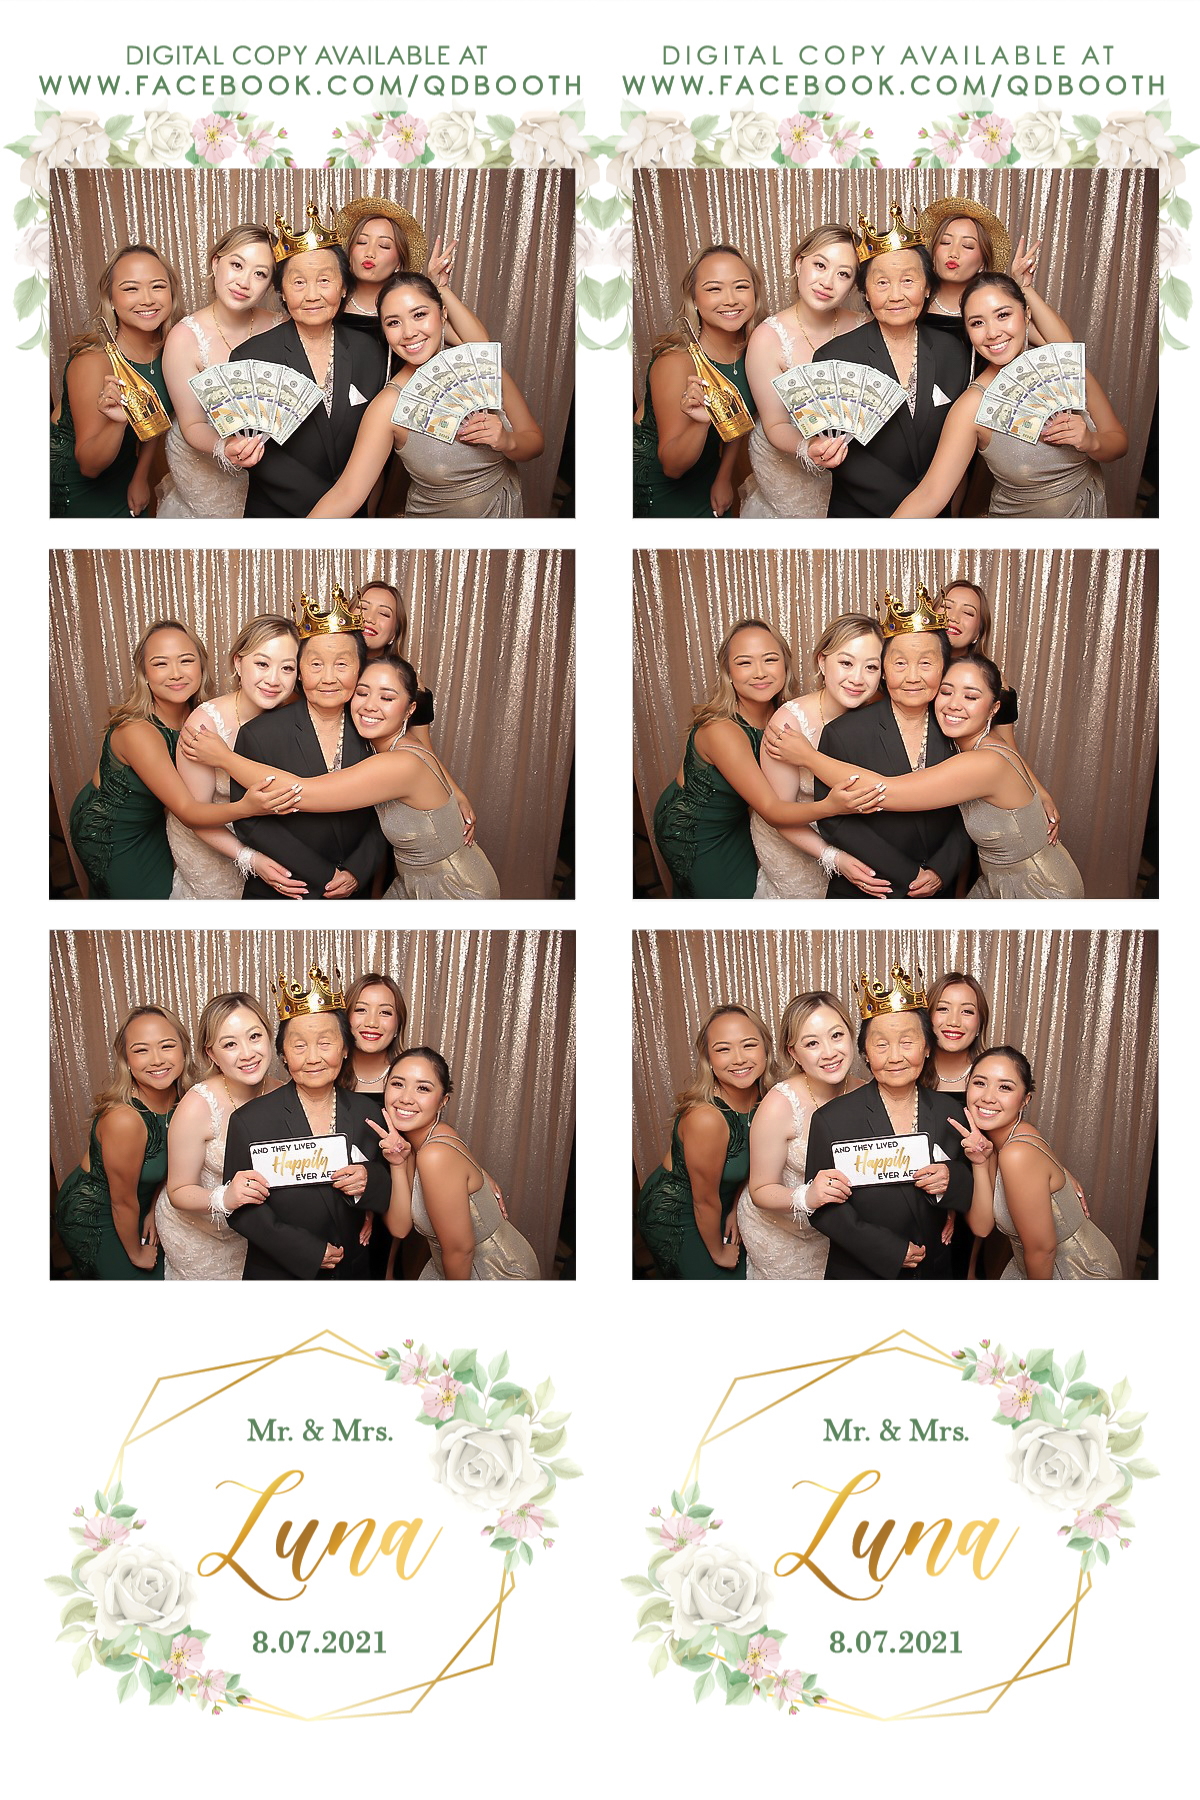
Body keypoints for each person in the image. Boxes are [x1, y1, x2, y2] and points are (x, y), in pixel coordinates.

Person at [186, 653, 493, 899]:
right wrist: (458, 793)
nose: (370, 706)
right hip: (413, 882)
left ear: (410, 708)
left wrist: (225, 758)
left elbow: (303, 792)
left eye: (387, 698)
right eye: (362, 692)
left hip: (453, 889)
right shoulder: (399, 746)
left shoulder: (400, 763)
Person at [792, 652, 1085, 899]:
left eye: (971, 696)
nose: (954, 704)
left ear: (994, 708)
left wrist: (809, 757)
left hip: (1037, 887)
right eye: (946, 692)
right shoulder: (984, 744)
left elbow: (887, 791)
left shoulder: (983, 763)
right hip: (998, 880)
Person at [653, 618, 882, 899]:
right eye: (744, 663)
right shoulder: (721, 731)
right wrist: (830, 806)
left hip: (739, 820)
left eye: (770, 659)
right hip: (695, 829)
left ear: (785, 665)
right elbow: (772, 809)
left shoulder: (784, 711)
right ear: (728, 672)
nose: (760, 673)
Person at [69, 620, 287, 900]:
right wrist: (246, 807)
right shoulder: (137, 732)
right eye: (160, 664)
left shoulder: (200, 714)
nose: (175, 673)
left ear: (201, 666)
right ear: (145, 674)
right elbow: (187, 810)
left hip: (154, 820)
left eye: (186, 660)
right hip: (111, 830)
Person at [308, 272, 543, 518]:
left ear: (442, 314)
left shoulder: (481, 369)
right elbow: (347, 493)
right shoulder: (389, 405)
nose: (409, 332)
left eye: (419, 315)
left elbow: (535, 442)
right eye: (393, 323)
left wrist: (506, 441)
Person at [893, 273, 1128, 518]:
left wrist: (1090, 441)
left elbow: (1119, 443)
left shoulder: (1065, 369)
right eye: (977, 323)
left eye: (1003, 315)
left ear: (1026, 315)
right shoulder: (973, 406)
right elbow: (930, 494)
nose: (992, 333)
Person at [212, 588, 389, 900]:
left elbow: (387, 810)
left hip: (354, 892)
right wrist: (325, 874)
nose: (328, 677)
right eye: (316, 664)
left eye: (342, 664)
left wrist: (357, 871)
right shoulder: (259, 734)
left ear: (360, 668)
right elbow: (250, 822)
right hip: (287, 889)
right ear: (299, 670)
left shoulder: (374, 730)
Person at [804, 967, 976, 1280]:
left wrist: (952, 1181)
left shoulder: (949, 1111)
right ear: (865, 1053)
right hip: (862, 1271)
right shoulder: (831, 1120)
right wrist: (888, 1250)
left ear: (927, 1047)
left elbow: (971, 1176)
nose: (895, 1056)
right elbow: (824, 1206)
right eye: (881, 1045)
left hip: (935, 1267)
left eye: (907, 1042)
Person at [220, 967, 391, 1280]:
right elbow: (241, 1207)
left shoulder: (369, 1113)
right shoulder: (249, 1121)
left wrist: (370, 1181)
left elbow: (389, 1178)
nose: (312, 1058)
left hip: (353, 1269)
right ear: (283, 1054)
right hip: (280, 1272)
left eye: (325, 1043)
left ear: (345, 1048)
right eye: (299, 1046)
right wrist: (306, 1251)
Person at [807, 208, 970, 516]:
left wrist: (933, 504)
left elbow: (957, 442)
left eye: (908, 280)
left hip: (937, 513)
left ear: (927, 287)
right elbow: (841, 453)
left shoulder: (952, 351)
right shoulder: (833, 358)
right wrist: (919, 507)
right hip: (861, 516)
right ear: (866, 292)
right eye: (882, 283)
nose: (895, 295)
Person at [808, 589, 970, 899]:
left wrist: (941, 869)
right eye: (900, 663)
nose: (913, 676)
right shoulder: (843, 733)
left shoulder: (958, 730)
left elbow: (971, 810)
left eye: (926, 663)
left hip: (940, 891)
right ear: (883, 669)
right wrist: (908, 873)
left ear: (944, 667)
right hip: (870, 888)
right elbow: (834, 821)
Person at [228, 206, 388, 516]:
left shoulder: (370, 351)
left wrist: (348, 503)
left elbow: (374, 442)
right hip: (277, 516)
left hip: (352, 511)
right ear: (282, 292)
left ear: (344, 287)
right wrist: (333, 508)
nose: (312, 295)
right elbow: (257, 452)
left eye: (325, 280)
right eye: (299, 283)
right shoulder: (250, 357)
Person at [167, 614, 303, 900]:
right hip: (208, 842)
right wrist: (250, 858)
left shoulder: (296, 714)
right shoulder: (203, 725)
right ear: (238, 663)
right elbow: (195, 813)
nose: (273, 680)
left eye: (287, 668)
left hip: (263, 836)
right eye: (262, 664)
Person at [637, 1003, 775, 1280]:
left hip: (721, 1204)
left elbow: (753, 1166)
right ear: (708, 1058)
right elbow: (704, 1201)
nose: (739, 1059)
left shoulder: (768, 1098)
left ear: (765, 1049)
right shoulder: (706, 1118)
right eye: (723, 1049)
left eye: (749, 1045)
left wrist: (736, 1207)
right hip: (679, 1215)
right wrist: (718, 1252)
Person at [376, 1049, 539, 1280]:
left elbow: (460, 1251)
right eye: (398, 1084)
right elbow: (399, 1228)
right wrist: (397, 1164)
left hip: (495, 1272)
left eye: (423, 1088)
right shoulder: (415, 1144)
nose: (406, 1098)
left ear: (442, 1101)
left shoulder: (435, 1154)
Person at [56, 1006, 192, 1280]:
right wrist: (136, 1253)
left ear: (183, 1051)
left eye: (167, 1046)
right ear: (126, 1059)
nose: (157, 1060)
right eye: (141, 1050)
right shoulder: (124, 1119)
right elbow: (122, 1201)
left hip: (138, 1205)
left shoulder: (186, 1099)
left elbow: (170, 1167)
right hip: (97, 1216)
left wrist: (154, 1208)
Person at [753, 613, 884, 898]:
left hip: (847, 835)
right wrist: (834, 857)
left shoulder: (880, 713)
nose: (857, 679)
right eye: (846, 663)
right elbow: (779, 813)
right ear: (822, 661)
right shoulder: (787, 724)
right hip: (792, 840)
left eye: (871, 667)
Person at [738, 991, 864, 1279]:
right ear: (793, 1053)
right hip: (780, 1232)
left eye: (836, 1035)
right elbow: (760, 1190)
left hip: (839, 1231)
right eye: (812, 1043)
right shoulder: (779, 1105)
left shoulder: (866, 1092)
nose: (829, 1052)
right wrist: (808, 1196)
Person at [965, 1048, 1121, 1279]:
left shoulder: (1017, 1153)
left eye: (1005, 1087)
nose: (988, 1097)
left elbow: (1042, 1251)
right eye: (980, 1083)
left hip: (1076, 1271)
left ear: (1024, 1100)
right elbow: (981, 1227)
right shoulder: (994, 1144)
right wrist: (979, 1163)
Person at [50, 244, 182, 517]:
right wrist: (118, 421)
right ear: (110, 298)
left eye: (158, 286)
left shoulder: (170, 349)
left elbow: (156, 418)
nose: (147, 299)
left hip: (125, 469)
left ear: (171, 293)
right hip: (78, 484)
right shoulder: (93, 362)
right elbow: (89, 466)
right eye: (131, 288)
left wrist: (140, 476)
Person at [633, 244, 766, 517]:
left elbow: (739, 417)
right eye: (714, 289)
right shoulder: (676, 362)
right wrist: (701, 422)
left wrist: (724, 476)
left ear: (755, 293)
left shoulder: (754, 348)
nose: (730, 299)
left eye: (741, 286)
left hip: (708, 471)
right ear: (693, 299)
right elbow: (672, 467)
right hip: (659, 485)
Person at [156, 225, 279, 518]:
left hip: (268, 469)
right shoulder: (184, 338)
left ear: (270, 284)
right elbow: (192, 424)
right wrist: (224, 447)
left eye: (260, 274)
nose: (244, 282)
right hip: (203, 468)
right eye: (237, 265)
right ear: (215, 263)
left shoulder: (281, 326)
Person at [741, 227, 864, 518]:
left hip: (853, 470)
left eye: (843, 274)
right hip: (787, 469)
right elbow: (774, 424)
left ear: (853, 285)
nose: (827, 282)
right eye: (820, 265)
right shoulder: (767, 338)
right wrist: (807, 447)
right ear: (799, 264)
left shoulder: (865, 326)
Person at [158, 992, 281, 1280]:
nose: (247, 1053)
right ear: (211, 1054)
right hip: (198, 1234)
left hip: (257, 1232)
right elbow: (178, 1191)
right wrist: (225, 1197)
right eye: (229, 1044)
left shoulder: (284, 1093)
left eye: (254, 1036)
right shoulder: (197, 1106)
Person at [938, 577, 1060, 841]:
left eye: (968, 612)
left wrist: (1040, 792)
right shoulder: (913, 673)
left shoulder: (994, 683)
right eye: (946, 607)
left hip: (970, 798)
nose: (953, 617)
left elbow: (1006, 746)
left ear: (979, 631)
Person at [354, 580, 478, 835]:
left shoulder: (412, 686)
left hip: (386, 798)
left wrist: (457, 794)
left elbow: (423, 748)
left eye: (384, 613)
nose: (369, 618)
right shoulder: (328, 675)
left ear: (394, 633)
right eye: (363, 608)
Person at [919, 196, 1072, 346]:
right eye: (945, 242)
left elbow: (1064, 345)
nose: (953, 253)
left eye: (967, 246)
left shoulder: (997, 307)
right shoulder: (915, 301)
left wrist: (1025, 287)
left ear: (982, 264)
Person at [335, 196, 487, 345]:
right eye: (361, 242)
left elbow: (481, 345)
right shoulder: (332, 301)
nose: (369, 252)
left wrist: (441, 287)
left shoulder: (413, 306)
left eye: (384, 246)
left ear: (399, 264)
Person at [344, 972, 409, 1096]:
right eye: (361, 1010)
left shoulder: (412, 1078)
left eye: (385, 1012)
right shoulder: (327, 1075)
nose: (372, 1023)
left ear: (398, 1024)